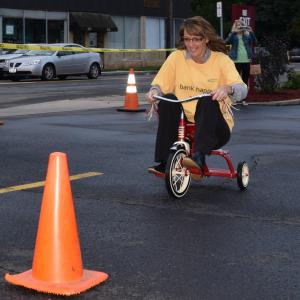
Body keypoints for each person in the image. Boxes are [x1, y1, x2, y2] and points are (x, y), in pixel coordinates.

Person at [146, 16, 247, 175]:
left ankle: (198, 158)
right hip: (183, 126)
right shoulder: (176, 57)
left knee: (207, 99)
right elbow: (159, 84)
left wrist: (228, 89)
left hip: (215, 129)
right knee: (168, 100)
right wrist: (154, 92)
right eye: (187, 39)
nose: (190, 45)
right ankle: (165, 161)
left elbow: (242, 88)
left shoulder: (221, 60)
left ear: (206, 39)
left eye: (196, 39)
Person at [225, 19, 258, 104]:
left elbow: (255, 42)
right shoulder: (233, 36)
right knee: (235, 80)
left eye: (241, 25)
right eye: (238, 25)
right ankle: (234, 98)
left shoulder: (247, 35)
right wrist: (233, 32)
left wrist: (251, 32)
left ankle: (244, 99)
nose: (240, 27)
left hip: (246, 60)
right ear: (235, 27)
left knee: (244, 80)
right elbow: (226, 42)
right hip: (235, 60)